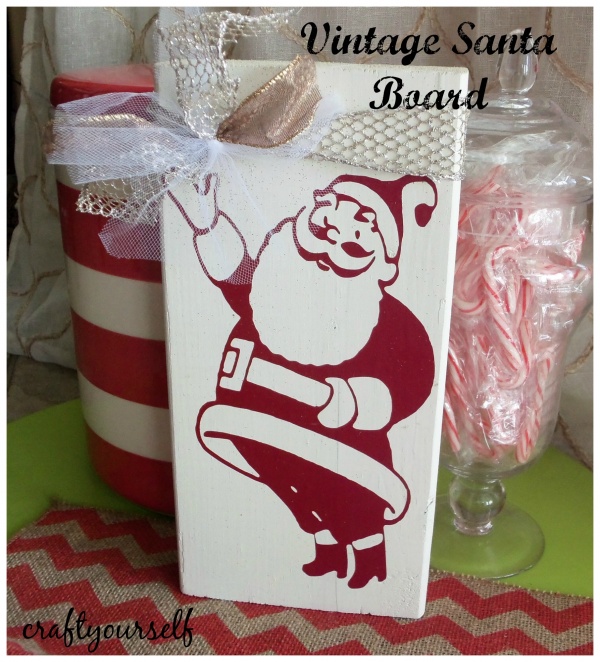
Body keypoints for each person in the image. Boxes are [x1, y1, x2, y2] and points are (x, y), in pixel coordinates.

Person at [165, 171, 437, 589]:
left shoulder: (387, 320)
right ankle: (327, 552)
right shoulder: (274, 280)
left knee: (343, 493)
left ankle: (370, 559)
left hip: (341, 440)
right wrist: (209, 226)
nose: (331, 246)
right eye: (326, 228)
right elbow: (235, 276)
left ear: (379, 257)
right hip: (255, 423)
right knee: (294, 490)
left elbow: (414, 372)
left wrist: (360, 400)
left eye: (352, 241)